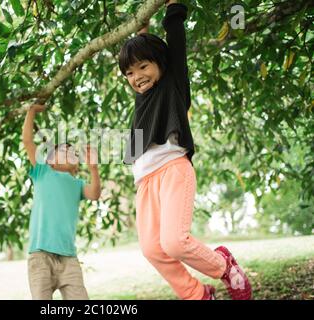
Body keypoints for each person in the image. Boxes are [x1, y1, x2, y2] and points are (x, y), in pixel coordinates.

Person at [118, 0, 252, 300]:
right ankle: (198, 295)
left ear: (161, 65)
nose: (137, 77)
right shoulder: (141, 101)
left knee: (175, 242)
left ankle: (225, 267)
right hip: (144, 183)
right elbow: (145, 53)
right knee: (152, 248)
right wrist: (143, 26)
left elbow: (174, 45)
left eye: (143, 67)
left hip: (172, 171)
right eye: (129, 73)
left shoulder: (172, 84)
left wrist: (174, 9)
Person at [22, 103, 101, 300]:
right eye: (63, 150)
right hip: (40, 256)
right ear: (50, 160)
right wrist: (31, 111)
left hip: (68, 257)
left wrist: (93, 170)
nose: (70, 152)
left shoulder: (77, 184)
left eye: (74, 152)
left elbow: (94, 194)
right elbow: (27, 141)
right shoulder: (43, 172)